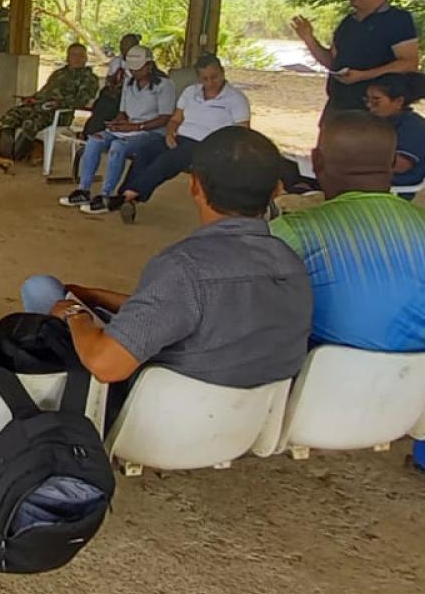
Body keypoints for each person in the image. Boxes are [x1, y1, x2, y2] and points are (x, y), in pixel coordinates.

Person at [21, 127, 311, 424]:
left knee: (42, 291)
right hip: (245, 423)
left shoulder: (185, 267)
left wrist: (74, 313)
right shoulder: (292, 263)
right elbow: (195, 310)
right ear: (276, 190)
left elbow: (106, 365)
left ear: (195, 186)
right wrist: (97, 297)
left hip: (160, 421)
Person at [270, 112, 425, 352]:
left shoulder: (293, 231)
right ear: (394, 162)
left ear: (316, 161)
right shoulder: (421, 222)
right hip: (415, 382)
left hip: (324, 378)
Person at [109, 53, 251, 222]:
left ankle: (126, 195)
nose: (211, 82)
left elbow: (243, 132)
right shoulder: (190, 92)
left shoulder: (236, 98)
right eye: (205, 79)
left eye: (215, 77)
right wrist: (170, 133)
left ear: (223, 72)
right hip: (183, 137)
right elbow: (175, 119)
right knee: (145, 152)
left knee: (169, 159)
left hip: (210, 144)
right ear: (199, 78)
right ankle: (129, 197)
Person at [291, 0, 419, 119]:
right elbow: (332, 62)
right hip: (338, 104)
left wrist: (363, 76)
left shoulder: (397, 20)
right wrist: (309, 39)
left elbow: (409, 63)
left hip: (375, 110)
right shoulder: (347, 23)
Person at [62, 45, 174, 213]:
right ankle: (83, 189)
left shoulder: (164, 85)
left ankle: (107, 195)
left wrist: (137, 126)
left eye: (139, 69)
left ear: (149, 66)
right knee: (94, 140)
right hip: (129, 128)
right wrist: (117, 123)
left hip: (151, 132)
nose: (135, 73)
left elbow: (165, 118)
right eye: (132, 69)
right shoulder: (129, 84)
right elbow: (123, 112)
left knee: (118, 146)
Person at [0, 42, 98, 166]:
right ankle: (5, 154)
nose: (77, 58)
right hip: (40, 107)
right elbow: (44, 92)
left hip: (59, 113)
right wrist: (33, 98)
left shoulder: (89, 78)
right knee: (11, 116)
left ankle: (15, 157)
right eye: (74, 55)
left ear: (86, 58)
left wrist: (59, 103)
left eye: (81, 55)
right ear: (67, 57)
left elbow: (81, 101)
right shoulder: (58, 74)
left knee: (31, 123)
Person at [364, 72, 425, 194]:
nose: (369, 106)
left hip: (400, 188)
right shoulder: (383, 120)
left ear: (398, 101)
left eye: (376, 101)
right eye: (367, 100)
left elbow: (401, 165)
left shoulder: (413, 126)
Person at [83, 33, 141, 137]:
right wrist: (112, 86)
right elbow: (110, 78)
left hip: (131, 95)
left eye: (128, 45)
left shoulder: (140, 63)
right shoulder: (116, 61)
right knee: (102, 102)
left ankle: (91, 133)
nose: (124, 48)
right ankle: (92, 133)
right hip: (113, 93)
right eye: (122, 44)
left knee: (107, 106)